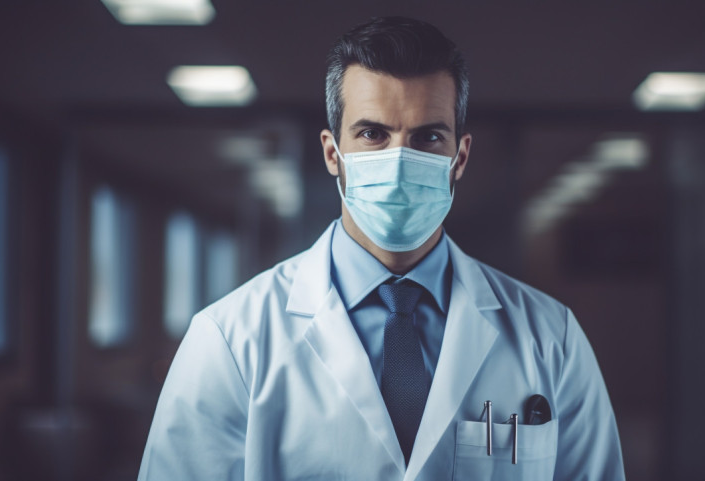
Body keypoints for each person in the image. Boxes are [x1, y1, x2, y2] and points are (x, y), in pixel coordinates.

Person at [138, 16, 624, 481]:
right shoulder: (230, 339)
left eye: (427, 137)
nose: (398, 163)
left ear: (460, 157)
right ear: (333, 153)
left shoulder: (550, 338)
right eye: (373, 134)